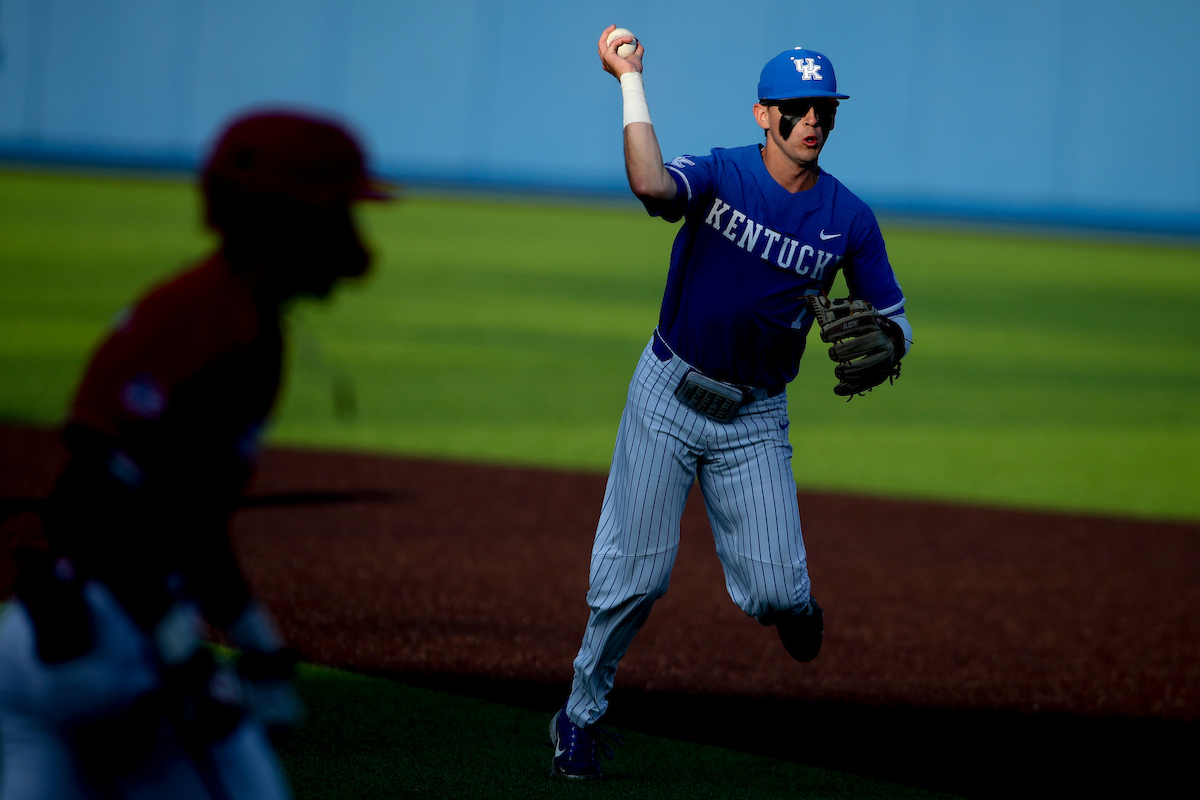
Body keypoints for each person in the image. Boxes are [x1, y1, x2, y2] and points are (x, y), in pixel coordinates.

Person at [549, 28, 913, 780]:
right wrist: (629, 81)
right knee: (635, 578)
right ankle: (579, 716)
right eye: (797, 108)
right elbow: (652, 187)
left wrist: (893, 341)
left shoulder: (850, 218)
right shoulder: (720, 174)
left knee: (777, 591)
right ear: (763, 115)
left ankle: (798, 608)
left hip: (754, 418)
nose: (812, 120)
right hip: (668, 394)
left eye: (824, 110)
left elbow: (895, 314)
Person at [0, 109, 390, 799]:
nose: (352, 235)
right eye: (337, 213)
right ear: (285, 220)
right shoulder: (207, 325)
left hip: (59, 641)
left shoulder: (244, 322)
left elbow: (191, 521)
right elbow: (87, 501)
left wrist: (253, 636)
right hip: (106, 649)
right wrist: (179, 647)